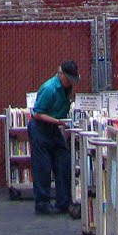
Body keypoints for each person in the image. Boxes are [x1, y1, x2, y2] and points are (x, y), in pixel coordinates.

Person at [29, 59, 79, 216]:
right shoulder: (50, 88)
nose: (71, 82)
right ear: (61, 75)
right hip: (40, 127)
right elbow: (37, 113)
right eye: (69, 79)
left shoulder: (66, 88)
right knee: (42, 166)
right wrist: (59, 122)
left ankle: (63, 201)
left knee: (63, 161)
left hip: (55, 126)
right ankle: (42, 203)